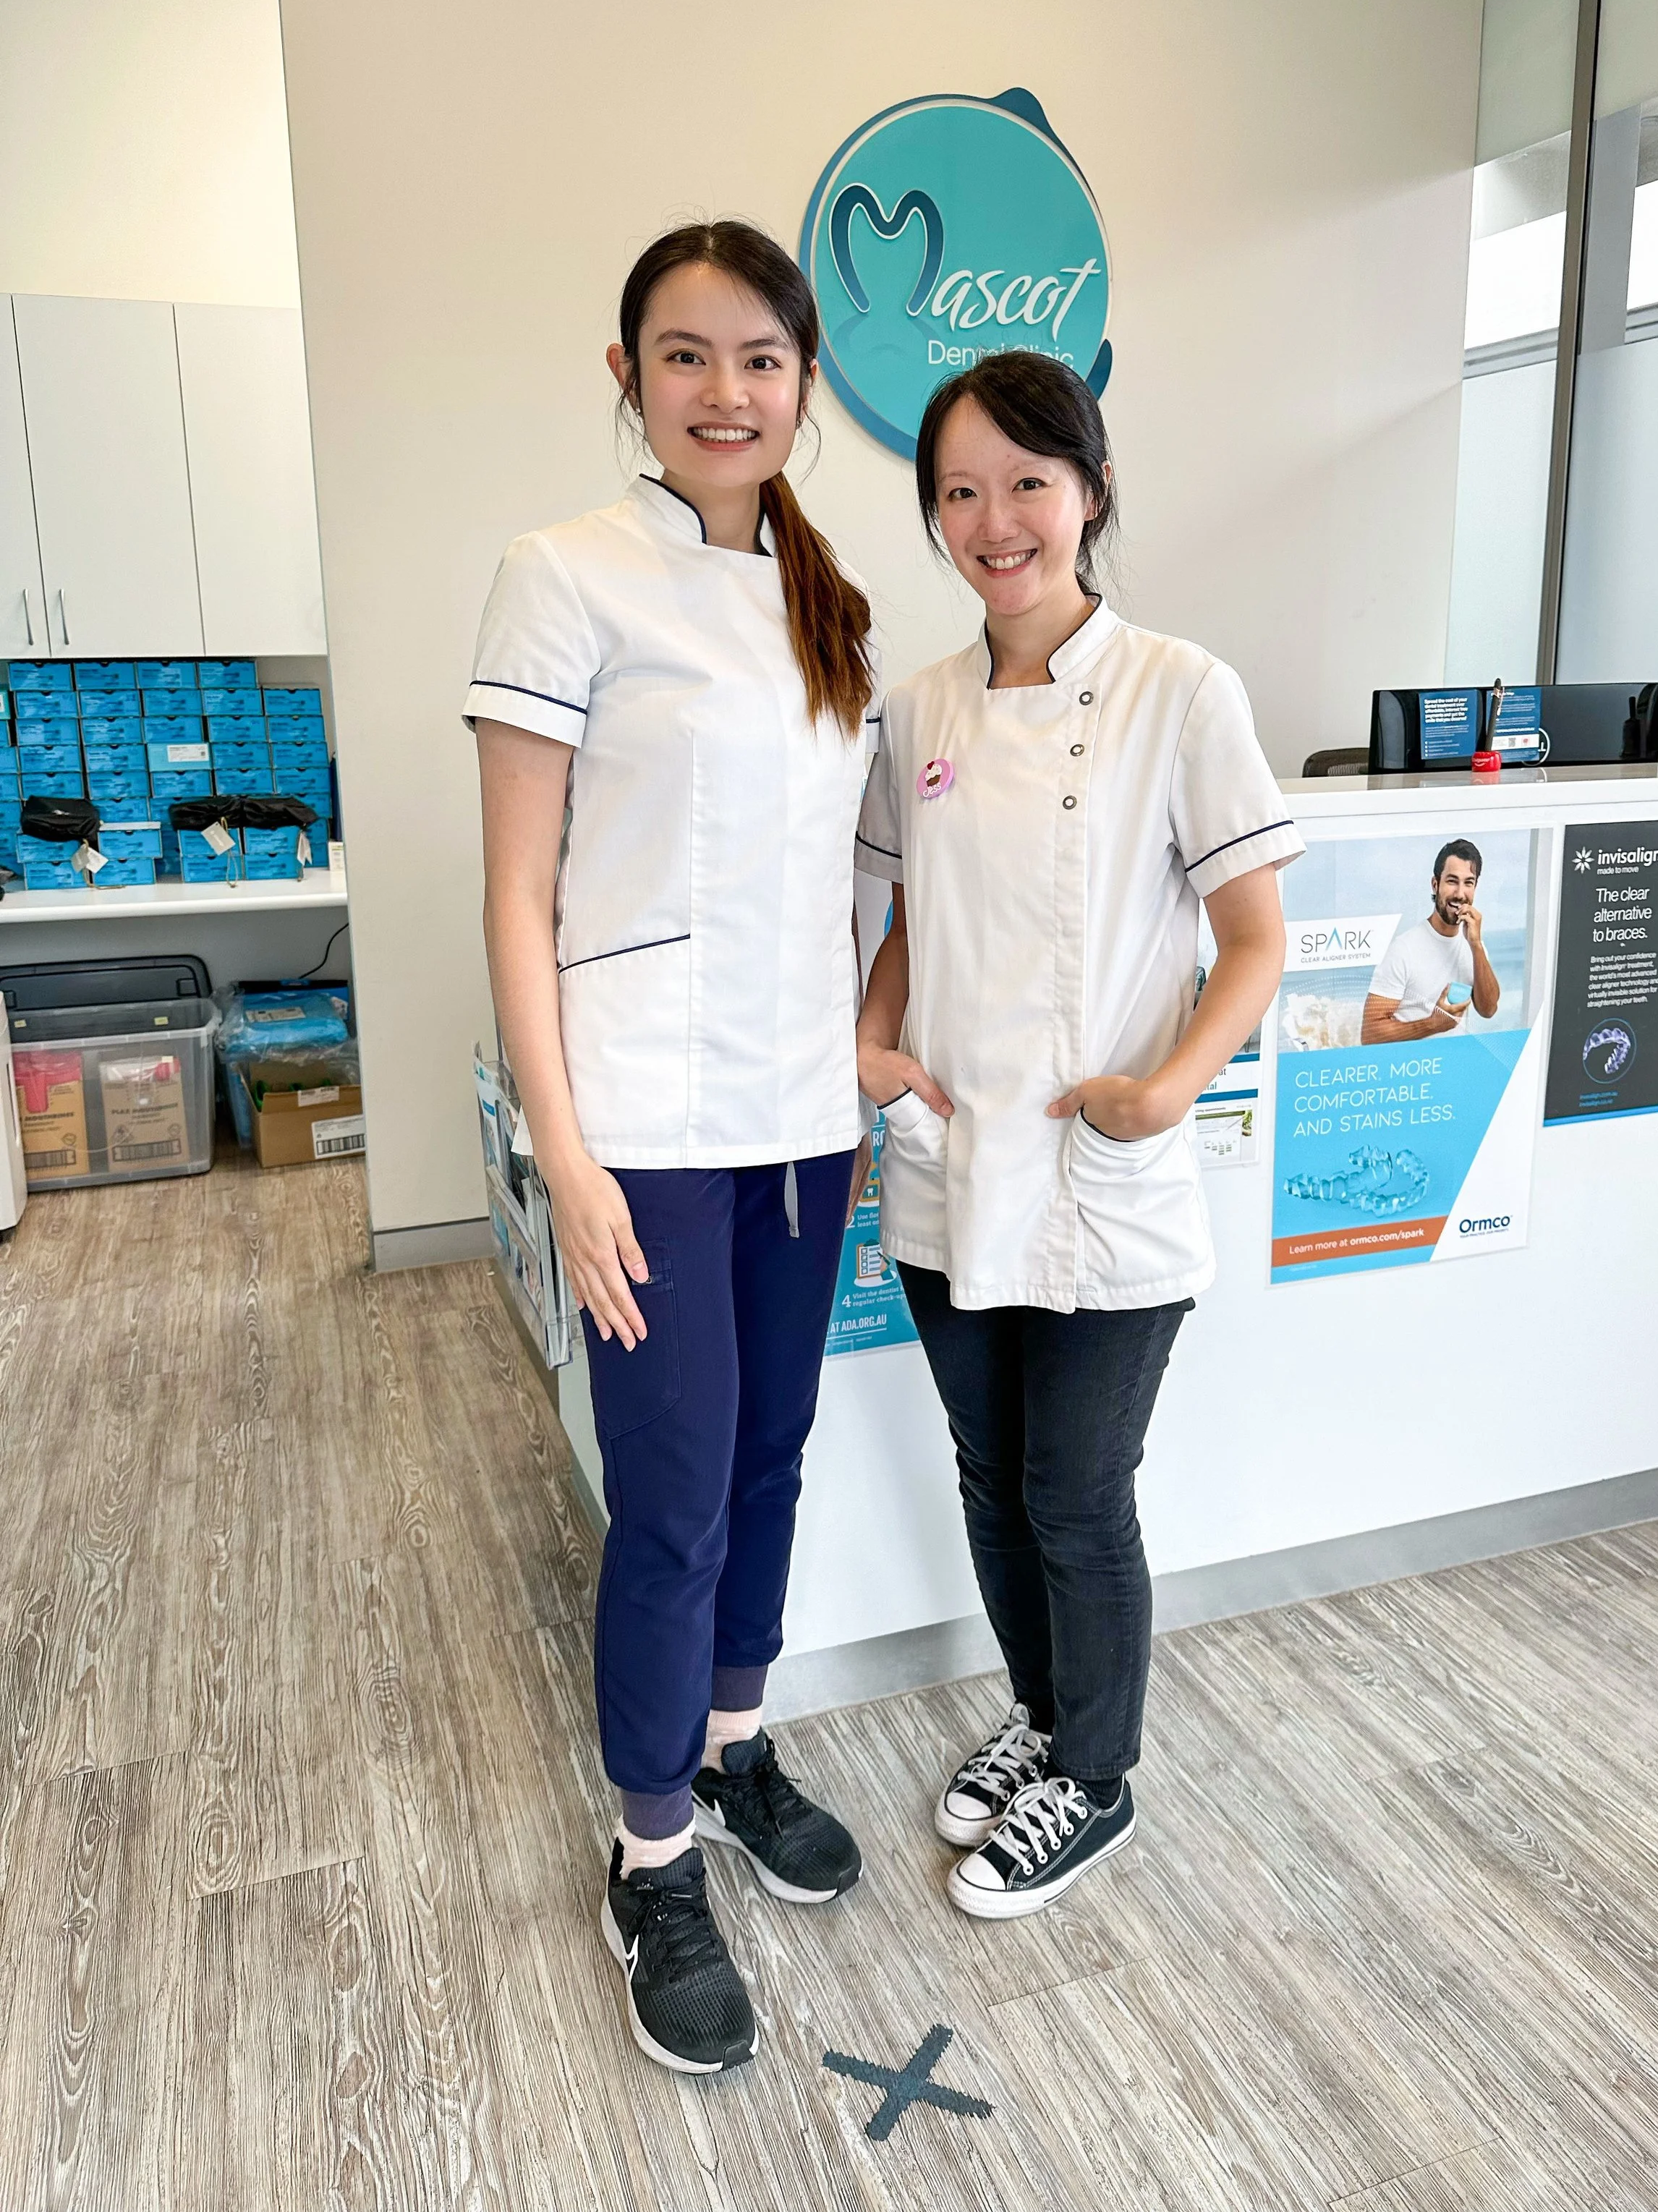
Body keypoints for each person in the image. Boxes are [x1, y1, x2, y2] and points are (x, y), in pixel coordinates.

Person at [467, 221, 872, 2077]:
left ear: (803, 381)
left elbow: (835, 874)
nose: (727, 391)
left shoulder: (826, 595)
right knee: (675, 1491)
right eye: (687, 355)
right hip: (639, 1124)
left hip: (801, 1121)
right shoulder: (562, 577)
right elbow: (517, 890)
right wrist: (564, 1154)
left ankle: (729, 1745)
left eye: (760, 358)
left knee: (770, 1457)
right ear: (626, 375)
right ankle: (648, 1853)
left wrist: (864, 1058)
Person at [854, 352, 1297, 1920]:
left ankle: (1095, 1775)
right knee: (990, 1475)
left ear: (1089, 492)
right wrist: (873, 1046)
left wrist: (1164, 1091)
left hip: (1104, 1173)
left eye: (1027, 483)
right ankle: (1042, 1717)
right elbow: (909, 915)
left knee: (1074, 1491)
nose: (996, 521)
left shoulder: (1183, 689)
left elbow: (1255, 939)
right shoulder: (918, 706)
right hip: (953, 1160)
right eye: (961, 492)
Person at [1361, 838, 1500, 1045]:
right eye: (1452, 881)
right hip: (1413, 1064)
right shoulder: (1404, 949)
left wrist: (1477, 945)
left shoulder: (1473, 945)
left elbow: (1488, 1010)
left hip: (1454, 1062)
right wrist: (1433, 1024)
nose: (1460, 894)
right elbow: (1370, 1034)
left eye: (1468, 883)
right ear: (1436, 885)